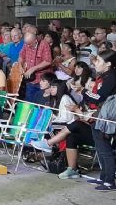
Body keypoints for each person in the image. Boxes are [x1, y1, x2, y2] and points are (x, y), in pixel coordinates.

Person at [31, 50, 116, 180]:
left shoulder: (111, 77)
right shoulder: (103, 77)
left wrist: (82, 91)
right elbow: (92, 98)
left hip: (103, 120)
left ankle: (109, 180)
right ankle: (73, 169)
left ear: (108, 63)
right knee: (72, 137)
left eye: (98, 60)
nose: (94, 63)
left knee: (103, 149)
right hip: (95, 118)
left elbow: (98, 97)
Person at [16, 25, 52, 102]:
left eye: (30, 44)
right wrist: (20, 65)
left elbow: (48, 61)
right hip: (30, 80)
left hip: (42, 80)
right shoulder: (26, 44)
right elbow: (21, 56)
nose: (28, 46)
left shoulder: (44, 44)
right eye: (27, 44)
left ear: (35, 39)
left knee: (40, 102)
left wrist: (33, 68)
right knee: (29, 101)